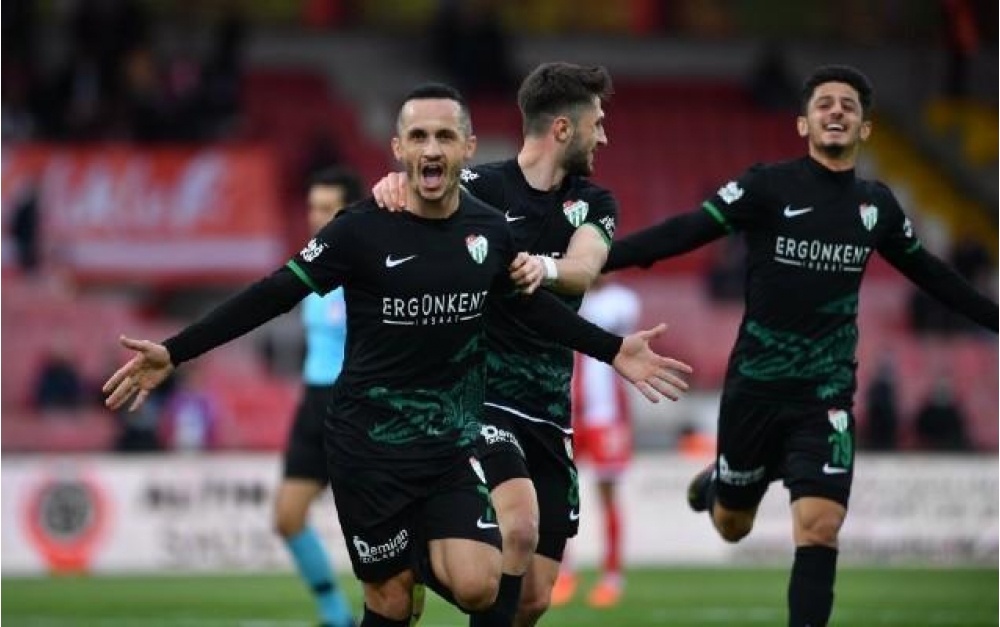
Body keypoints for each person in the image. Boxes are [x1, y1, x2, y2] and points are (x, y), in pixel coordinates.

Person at [103, 83, 692, 627]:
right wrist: (175, 352)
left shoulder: (489, 230)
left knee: (481, 585)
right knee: (390, 602)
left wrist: (614, 350)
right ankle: (399, 571)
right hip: (369, 448)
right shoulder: (360, 229)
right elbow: (273, 293)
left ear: (466, 148)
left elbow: (530, 308)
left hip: (449, 444)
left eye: (444, 136)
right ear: (398, 149)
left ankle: (408, 560)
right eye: (418, 136)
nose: (431, 148)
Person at [602, 64, 998, 626]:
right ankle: (720, 486)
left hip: (825, 393)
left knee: (819, 526)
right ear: (803, 124)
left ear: (864, 128)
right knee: (732, 525)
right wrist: (601, 258)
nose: (836, 111)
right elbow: (686, 230)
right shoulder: (768, 187)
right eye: (824, 104)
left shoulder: (876, 207)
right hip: (756, 389)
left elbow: (935, 276)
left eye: (848, 106)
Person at [374, 62, 627, 627]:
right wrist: (393, 186)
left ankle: (420, 560)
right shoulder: (479, 187)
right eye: (598, 124)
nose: (604, 137)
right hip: (480, 400)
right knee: (519, 527)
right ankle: (412, 559)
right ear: (563, 128)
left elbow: (584, 269)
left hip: (550, 412)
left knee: (532, 599)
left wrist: (542, 266)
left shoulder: (596, 202)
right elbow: (417, 194)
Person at [272, 167, 362, 627]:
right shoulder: (311, 266)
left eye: (327, 208)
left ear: (350, 212)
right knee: (288, 517)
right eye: (313, 207)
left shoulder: (367, 269)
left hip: (356, 404)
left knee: (380, 525)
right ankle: (336, 615)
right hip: (313, 402)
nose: (316, 217)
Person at [552, 276, 641, 608]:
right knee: (559, 492)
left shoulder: (622, 301)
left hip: (606, 414)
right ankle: (562, 573)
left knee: (607, 494)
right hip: (567, 410)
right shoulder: (566, 295)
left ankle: (612, 576)